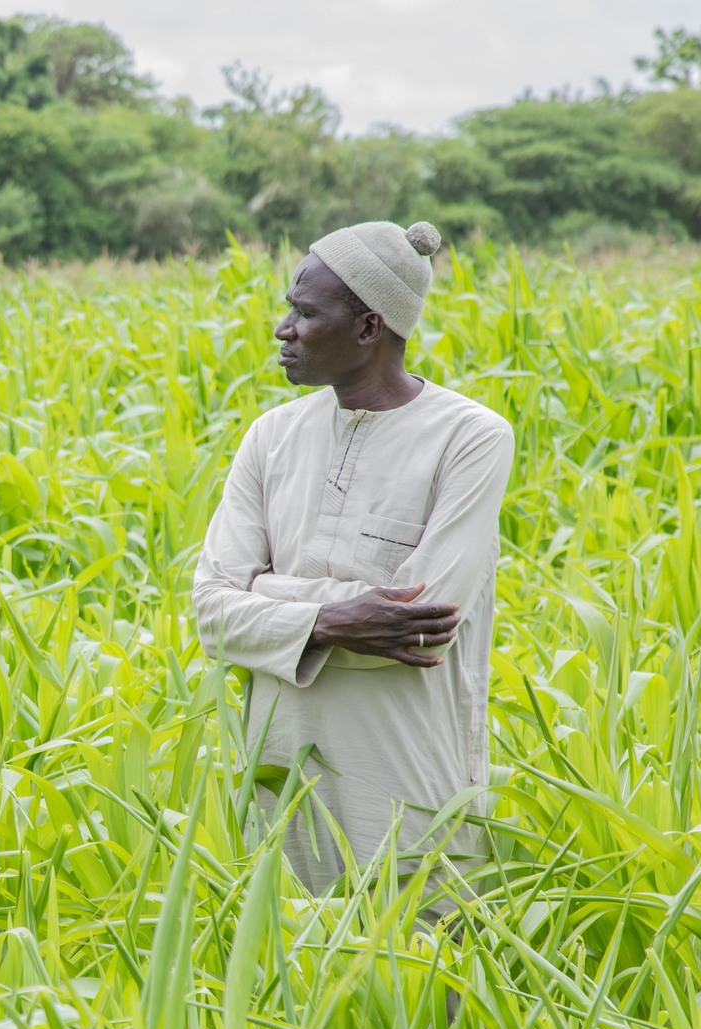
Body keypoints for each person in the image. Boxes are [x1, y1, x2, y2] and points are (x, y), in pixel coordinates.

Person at [192, 220, 514, 894]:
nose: (284, 328)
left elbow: (420, 621)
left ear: (368, 328)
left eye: (305, 313)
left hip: (410, 799)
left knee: (419, 988)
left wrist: (270, 595)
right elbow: (212, 617)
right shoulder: (271, 437)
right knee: (288, 985)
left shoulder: (469, 438)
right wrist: (335, 617)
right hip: (280, 795)